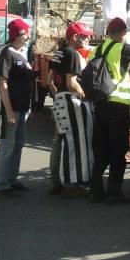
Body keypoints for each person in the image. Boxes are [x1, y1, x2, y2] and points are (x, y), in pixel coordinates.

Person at [89, 18, 130, 203]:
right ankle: (114, 193)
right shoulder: (123, 49)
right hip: (118, 105)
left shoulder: (96, 49)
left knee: (101, 148)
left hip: (100, 103)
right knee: (118, 150)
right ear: (122, 33)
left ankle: (96, 190)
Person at [48, 21, 95, 197]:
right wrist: (83, 96)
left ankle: (56, 181)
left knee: (60, 141)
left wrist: (57, 94)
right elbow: (71, 81)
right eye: (84, 36)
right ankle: (73, 183)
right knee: (75, 142)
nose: (88, 38)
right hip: (71, 101)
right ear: (75, 37)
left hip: (60, 99)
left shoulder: (58, 52)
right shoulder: (73, 54)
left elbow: (49, 79)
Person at [0, 19, 34, 197]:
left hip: (23, 107)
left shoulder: (21, 53)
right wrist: (8, 110)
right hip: (12, 108)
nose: (29, 36)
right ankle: (1, 183)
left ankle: (12, 179)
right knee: (8, 145)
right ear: (19, 35)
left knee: (18, 144)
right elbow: (3, 83)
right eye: (27, 32)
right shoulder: (7, 53)